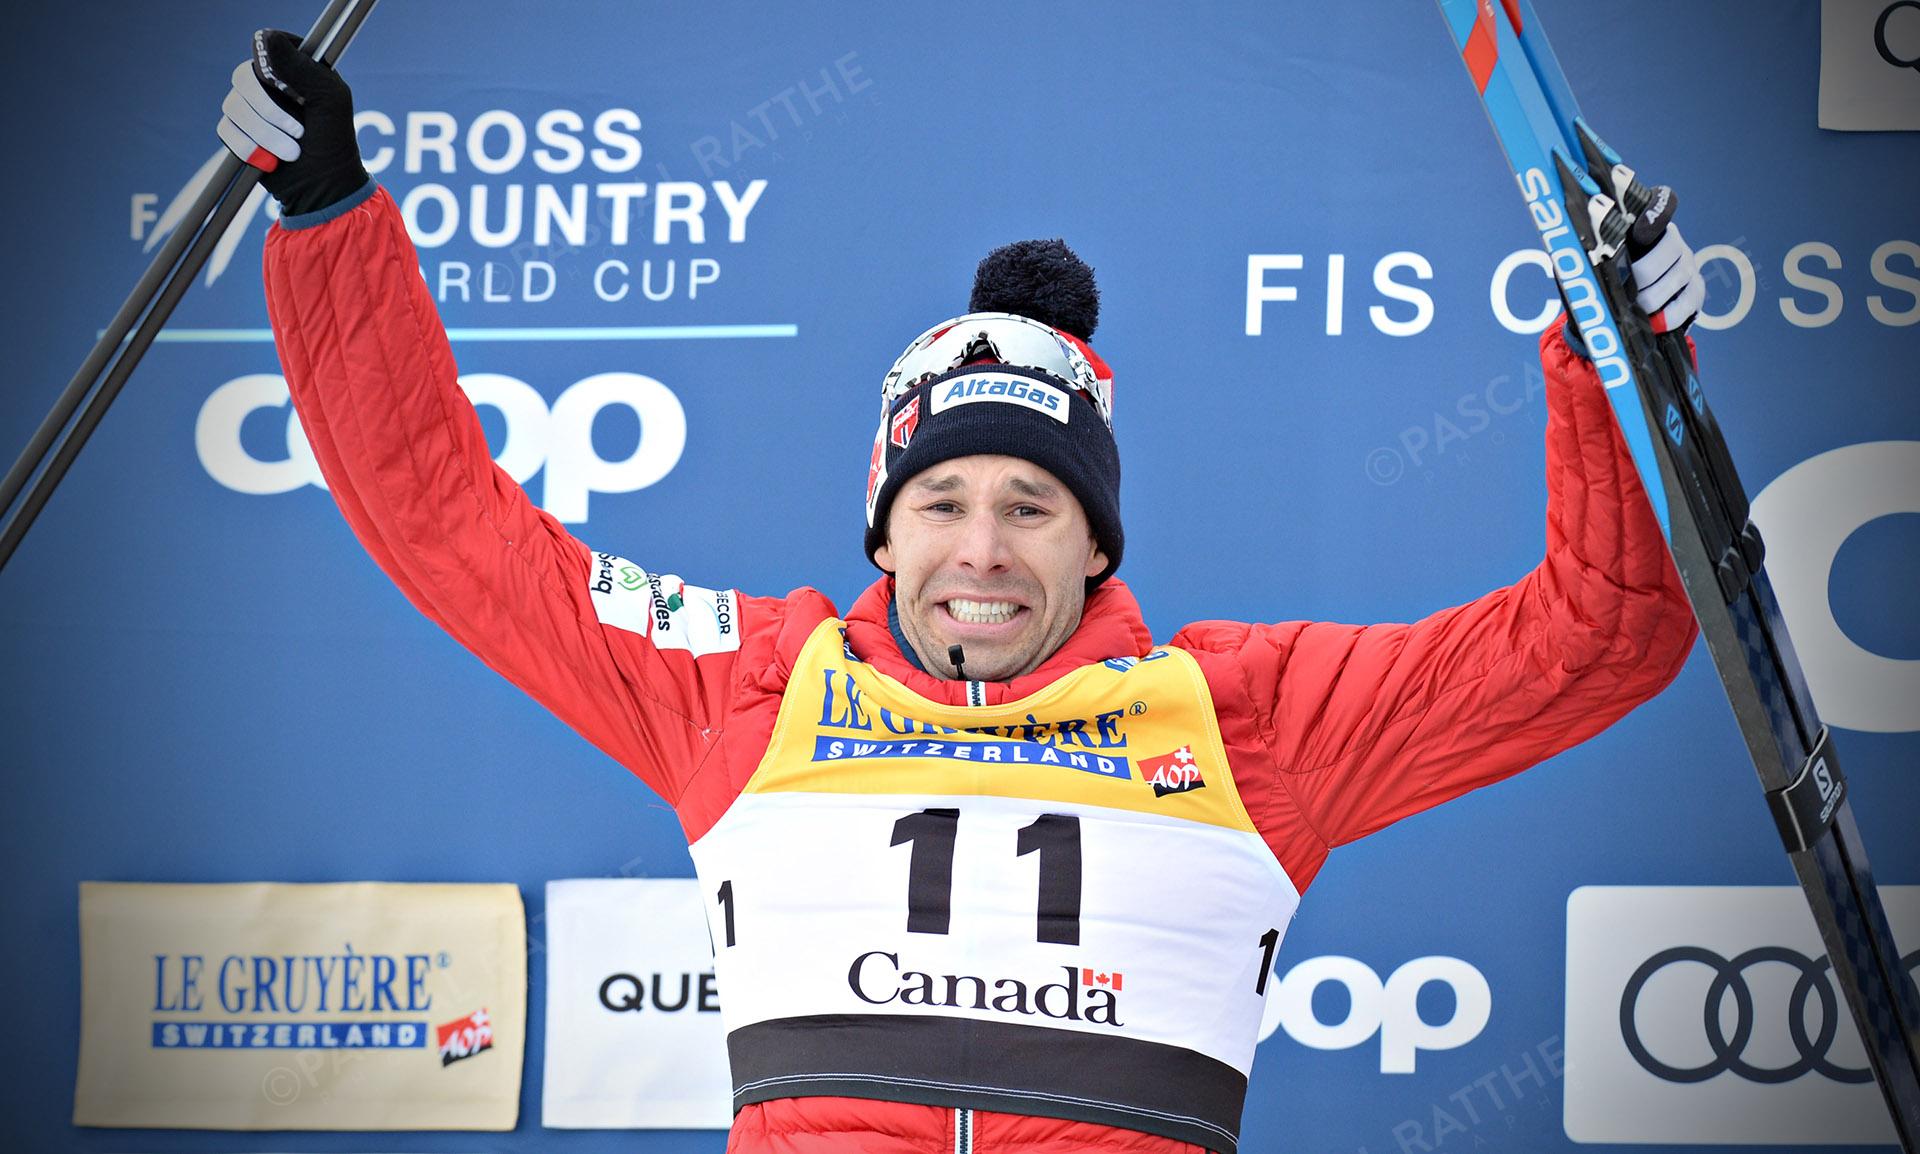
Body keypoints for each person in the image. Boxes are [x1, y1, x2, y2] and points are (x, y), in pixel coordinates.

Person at [221, 29, 1702, 1154]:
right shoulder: (750, 683)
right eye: (940, 502)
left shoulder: (1244, 716)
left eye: (1032, 506)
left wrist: (1614, 361)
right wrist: (330, 210)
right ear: (884, 529)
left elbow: (1603, 634)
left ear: (1097, 541)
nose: (981, 548)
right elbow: (448, 524)